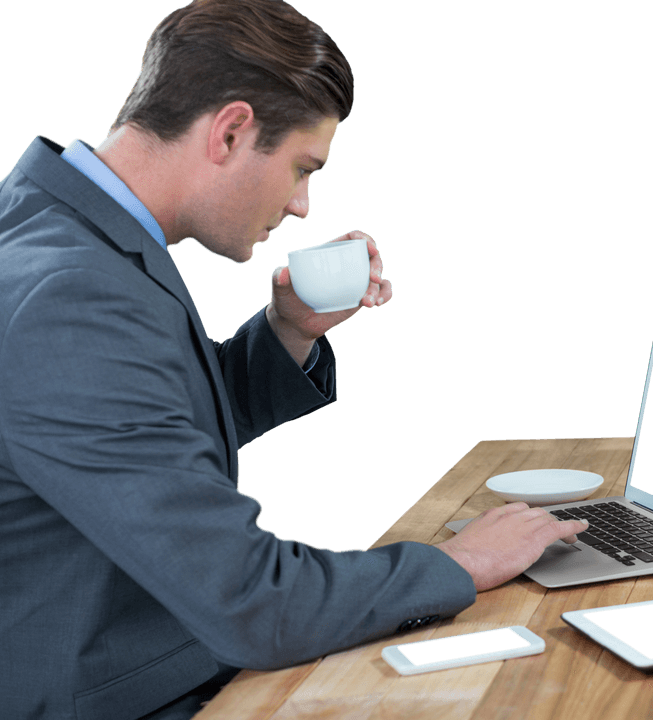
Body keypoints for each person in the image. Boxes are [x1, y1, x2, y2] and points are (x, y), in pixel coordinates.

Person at [0, 1, 587, 718]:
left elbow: (135, 441)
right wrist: (459, 563)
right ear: (231, 131)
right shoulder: (72, 292)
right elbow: (251, 601)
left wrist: (287, 332)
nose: (303, 204)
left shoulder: (54, 224)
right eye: (303, 168)